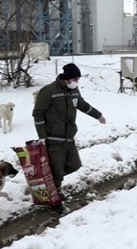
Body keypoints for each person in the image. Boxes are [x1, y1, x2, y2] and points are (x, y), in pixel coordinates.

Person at [32, 63, 106, 202]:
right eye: (76, 79)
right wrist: (42, 136)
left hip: (69, 137)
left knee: (74, 165)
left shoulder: (74, 91)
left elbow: (82, 105)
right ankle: (54, 196)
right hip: (53, 138)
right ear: (67, 79)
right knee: (57, 171)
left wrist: (98, 115)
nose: (77, 82)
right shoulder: (48, 91)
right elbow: (38, 113)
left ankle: (52, 181)